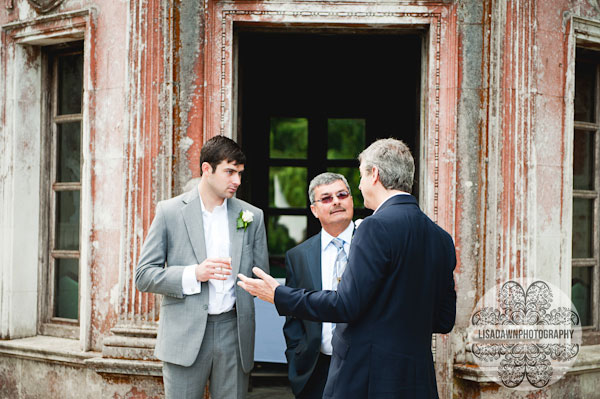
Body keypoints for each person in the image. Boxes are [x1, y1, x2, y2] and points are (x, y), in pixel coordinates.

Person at [238, 138, 456, 399]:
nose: (361, 186)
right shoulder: (441, 237)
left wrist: (279, 295)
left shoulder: (373, 227)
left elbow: (346, 305)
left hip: (369, 381)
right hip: (419, 382)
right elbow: (444, 320)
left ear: (374, 174)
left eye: (361, 176)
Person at [135, 135, 269, 399]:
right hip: (184, 334)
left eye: (240, 174)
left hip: (234, 333)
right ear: (207, 169)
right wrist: (194, 274)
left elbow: (260, 276)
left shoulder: (251, 216)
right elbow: (144, 276)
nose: (237, 182)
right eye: (230, 172)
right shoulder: (169, 212)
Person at [284, 172, 356, 399]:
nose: (336, 201)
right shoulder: (298, 256)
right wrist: (297, 354)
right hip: (315, 368)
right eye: (326, 198)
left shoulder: (373, 244)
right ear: (314, 210)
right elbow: (292, 317)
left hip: (364, 365)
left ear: (352, 200)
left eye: (342, 195)